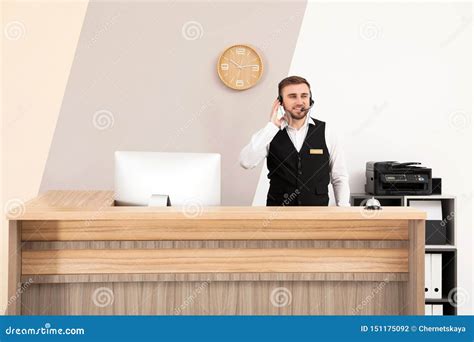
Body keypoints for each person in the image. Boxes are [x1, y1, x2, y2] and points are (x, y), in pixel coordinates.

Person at [239, 76, 350, 206]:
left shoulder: (326, 132)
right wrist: (272, 126)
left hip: (317, 216)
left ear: (310, 99)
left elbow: (339, 177)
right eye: (292, 96)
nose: (299, 101)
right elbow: (246, 162)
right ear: (280, 102)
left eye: (304, 96)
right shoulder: (270, 133)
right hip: (278, 217)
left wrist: (343, 210)